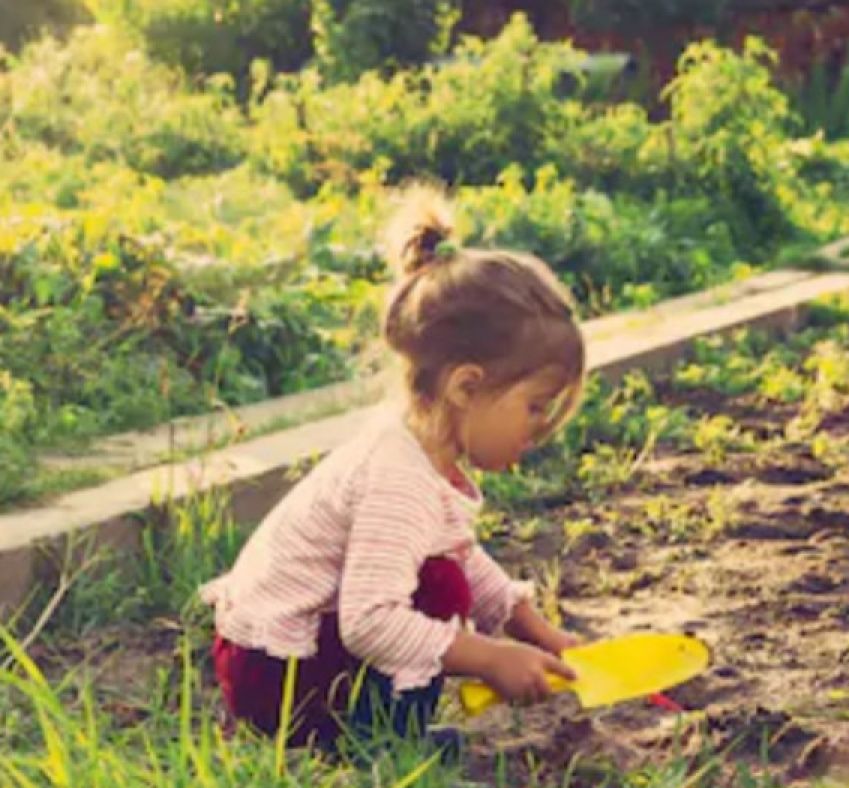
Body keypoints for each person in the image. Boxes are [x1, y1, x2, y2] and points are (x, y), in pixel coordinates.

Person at [199, 184, 586, 759]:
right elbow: (369, 623)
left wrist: (532, 629)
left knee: (444, 576)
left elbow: (458, 550)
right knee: (438, 588)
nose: (539, 429)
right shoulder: (397, 476)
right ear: (466, 386)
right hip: (278, 677)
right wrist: (487, 655)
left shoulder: (417, 451)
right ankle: (373, 745)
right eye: (534, 406)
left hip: (281, 662)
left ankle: (370, 730)